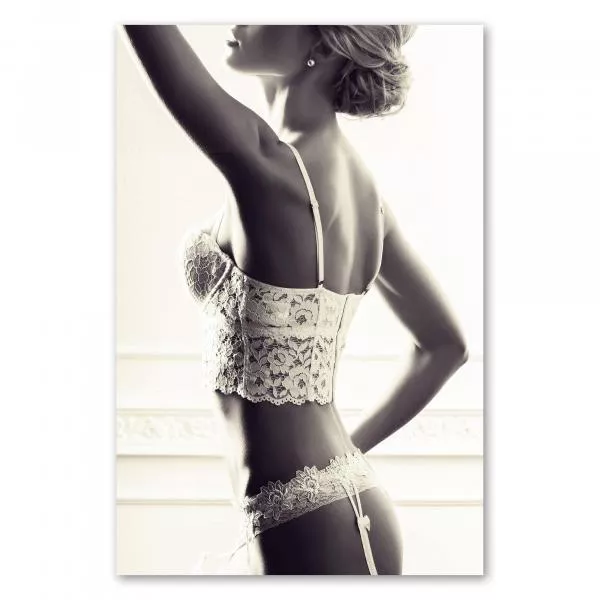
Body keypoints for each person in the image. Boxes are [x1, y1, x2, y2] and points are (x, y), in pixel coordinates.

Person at [123, 24, 469, 575]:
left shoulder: (267, 165)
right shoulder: (366, 197)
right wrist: (337, 464)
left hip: (304, 522)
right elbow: (446, 346)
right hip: (328, 506)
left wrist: (323, 477)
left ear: (323, 45)